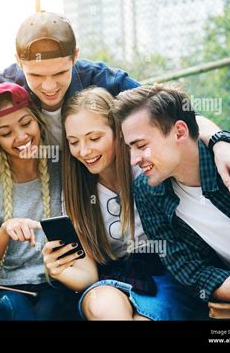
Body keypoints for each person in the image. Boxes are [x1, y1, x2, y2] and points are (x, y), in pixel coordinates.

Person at [0, 11, 230, 194]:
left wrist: (221, 143)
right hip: (39, 192)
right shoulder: (0, 89)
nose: (50, 86)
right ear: (19, 64)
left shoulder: (105, 81)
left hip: (98, 190)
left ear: (75, 57)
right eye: (36, 76)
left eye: (60, 73)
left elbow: (177, 115)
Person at [42, 87, 207, 320]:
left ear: (118, 132)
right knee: (105, 308)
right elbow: (88, 277)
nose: (84, 151)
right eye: (74, 142)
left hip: (166, 272)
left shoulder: (146, 168)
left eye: (94, 138)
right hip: (108, 282)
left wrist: (222, 144)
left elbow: (192, 128)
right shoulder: (75, 192)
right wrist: (59, 270)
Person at [115, 83, 230, 305]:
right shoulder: (148, 192)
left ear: (179, 132)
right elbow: (195, 274)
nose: (133, 160)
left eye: (141, 146)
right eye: (129, 149)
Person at [0, 82, 77, 320]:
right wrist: (5, 230)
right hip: (2, 290)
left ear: (38, 120)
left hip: (55, 284)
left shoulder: (62, 169)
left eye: (26, 123)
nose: (21, 137)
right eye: (6, 133)